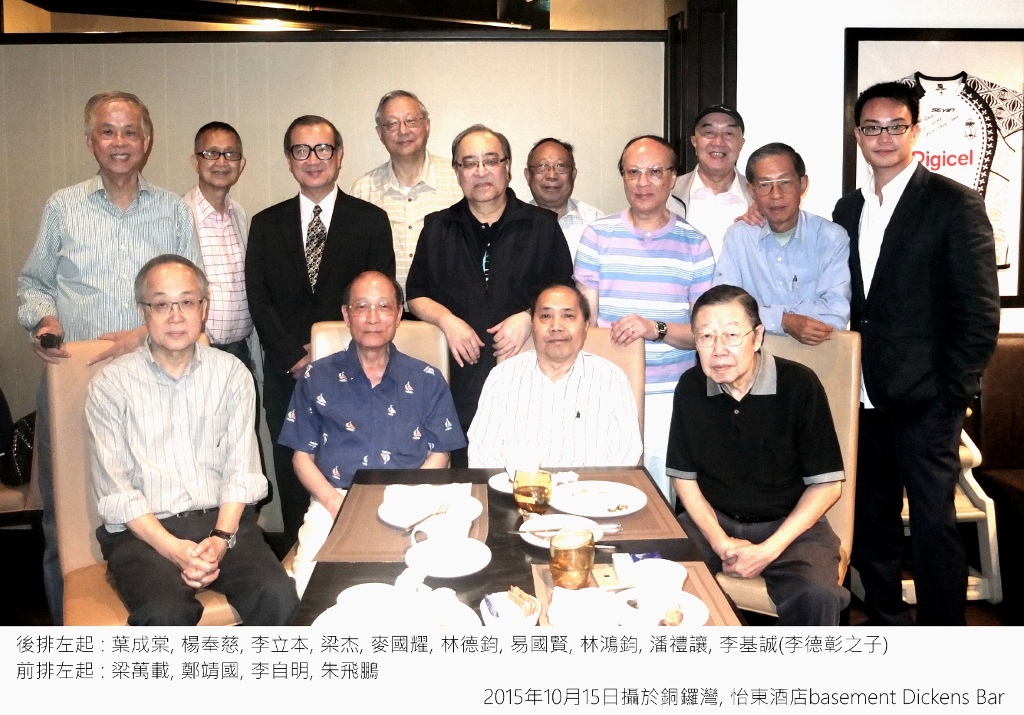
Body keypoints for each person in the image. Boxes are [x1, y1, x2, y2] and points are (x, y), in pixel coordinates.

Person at [17, 90, 200, 624]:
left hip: (158, 384)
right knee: (69, 521)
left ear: (147, 140)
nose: (120, 142)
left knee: (157, 509)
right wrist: (46, 321)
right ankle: (71, 635)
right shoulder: (63, 206)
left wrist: (140, 335)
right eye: (108, 131)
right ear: (90, 140)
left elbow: (193, 295)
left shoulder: (172, 210)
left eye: (130, 131)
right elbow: (33, 285)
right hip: (74, 383)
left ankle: (154, 622)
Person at [833, 82, 1000, 625]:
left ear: (915, 132)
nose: (883, 137)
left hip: (928, 400)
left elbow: (979, 311)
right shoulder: (849, 208)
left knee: (933, 526)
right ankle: (886, 621)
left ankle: (941, 635)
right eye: (872, 127)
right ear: (858, 135)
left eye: (895, 127)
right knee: (872, 520)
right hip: (863, 396)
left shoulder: (953, 203)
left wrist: (954, 393)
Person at [86, 255, 298, 626]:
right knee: (165, 614)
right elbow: (116, 490)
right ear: (143, 311)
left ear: (203, 307)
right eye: (161, 304)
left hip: (223, 523)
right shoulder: (110, 385)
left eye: (186, 302)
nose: (175, 316)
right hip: (144, 535)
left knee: (278, 596)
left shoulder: (231, 374)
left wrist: (220, 538)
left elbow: (242, 471)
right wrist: (174, 549)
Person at [246, 115, 395, 543]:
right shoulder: (266, 223)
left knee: (353, 461)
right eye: (301, 150)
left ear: (339, 155)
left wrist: (328, 352)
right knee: (295, 467)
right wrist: (294, 356)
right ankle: (301, 555)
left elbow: (378, 298)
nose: (313, 159)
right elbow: (259, 299)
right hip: (286, 374)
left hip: (354, 371)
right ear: (289, 159)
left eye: (323, 149)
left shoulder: (370, 220)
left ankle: (364, 545)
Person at [667, 284, 850, 625]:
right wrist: (720, 542)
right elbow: (684, 479)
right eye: (706, 337)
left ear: (757, 337)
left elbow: (827, 486)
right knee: (663, 577)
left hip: (791, 527)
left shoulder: (799, 385)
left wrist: (768, 550)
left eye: (731, 335)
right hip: (713, 520)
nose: (718, 350)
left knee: (817, 594)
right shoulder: (691, 387)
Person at [278, 271, 465, 596]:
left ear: (399, 314)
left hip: (414, 499)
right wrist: (334, 502)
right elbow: (301, 457)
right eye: (362, 306)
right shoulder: (316, 377)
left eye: (384, 306)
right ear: (346, 314)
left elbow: (441, 453)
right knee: (309, 591)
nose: (373, 318)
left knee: (434, 589)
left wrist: (409, 499)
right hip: (336, 499)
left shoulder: (426, 378)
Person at [406, 124, 574, 465]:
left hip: (526, 373)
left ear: (507, 167)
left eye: (490, 160)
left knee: (526, 469)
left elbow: (565, 294)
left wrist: (528, 316)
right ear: (457, 172)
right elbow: (416, 294)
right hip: (457, 378)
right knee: (464, 475)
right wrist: (447, 321)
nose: (480, 171)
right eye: (469, 163)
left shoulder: (542, 225)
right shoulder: (437, 227)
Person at [575, 135, 713, 499]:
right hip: (606, 385)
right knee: (600, 487)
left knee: (657, 495)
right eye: (633, 172)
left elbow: (704, 334)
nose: (642, 182)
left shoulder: (695, 243)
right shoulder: (597, 236)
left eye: (654, 172)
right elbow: (586, 324)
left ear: (673, 177)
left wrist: (656, 329)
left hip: (669, 393)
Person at [468, 283, 642, 469]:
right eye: (545, 316)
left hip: (591, 486)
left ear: (585, 325)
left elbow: (627, 451)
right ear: (532, 324)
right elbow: (482, 451)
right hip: (518, 486)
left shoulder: (610, 379)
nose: (556, 326)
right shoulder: (503, 377)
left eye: (568, 316)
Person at [714, 142, 851, 345]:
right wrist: (784, 321)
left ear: (802, 184)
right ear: (752, 191)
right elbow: (725, 307)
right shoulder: (738, 238)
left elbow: (835, 314)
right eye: (765, 185)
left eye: (785, 182)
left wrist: (761, 315)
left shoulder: (831, 238)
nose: (776, 194)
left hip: (815, 357)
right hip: (754, 358)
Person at [350, 90, 463, 298]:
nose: (403, 131)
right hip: (384, 313)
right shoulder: (363, 190)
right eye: (392, 124)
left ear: (427, 125)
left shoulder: (459, 180)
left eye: (410, 120)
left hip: (446, 311)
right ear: (380, 133)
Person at [184, 121, 261, 375]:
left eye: (230, 154)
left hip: (241, 351)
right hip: (197, 351)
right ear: (195, 162)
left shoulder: (238, 213)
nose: (222, 162)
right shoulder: (179, 215)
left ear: (241, 163)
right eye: (211, 153)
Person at [667, 105, 752, 260]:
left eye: (729, 133)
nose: (718, 142)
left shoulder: (760, 198)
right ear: (694, 141)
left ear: (741, 143)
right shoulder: (667, 194)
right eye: (709, 132)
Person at [524, 138, 606, 259]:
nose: (552, 175)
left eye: (560, 166)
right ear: (528, 175)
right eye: (542, 166)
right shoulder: (514, 225)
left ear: (573, 174)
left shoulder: (596, 222)